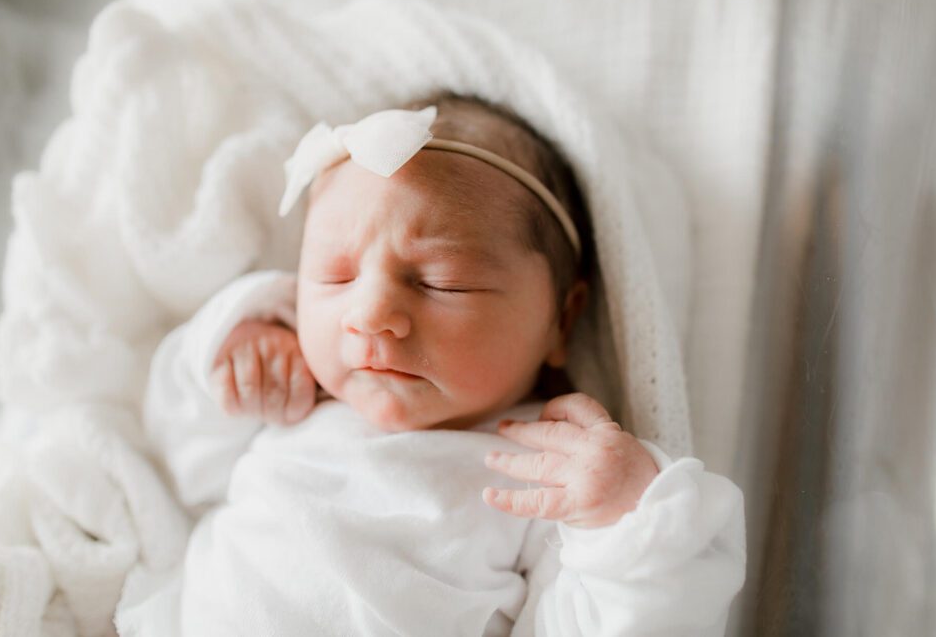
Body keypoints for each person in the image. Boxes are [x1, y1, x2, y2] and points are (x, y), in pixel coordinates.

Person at [128, 93, 746, 636]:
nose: (369, 314)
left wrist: (627, 523)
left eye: (444, 283)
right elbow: (174, 461)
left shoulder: (543, 473)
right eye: (334, 275)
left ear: (562, 317)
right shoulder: (294, 401)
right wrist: (228, 354)